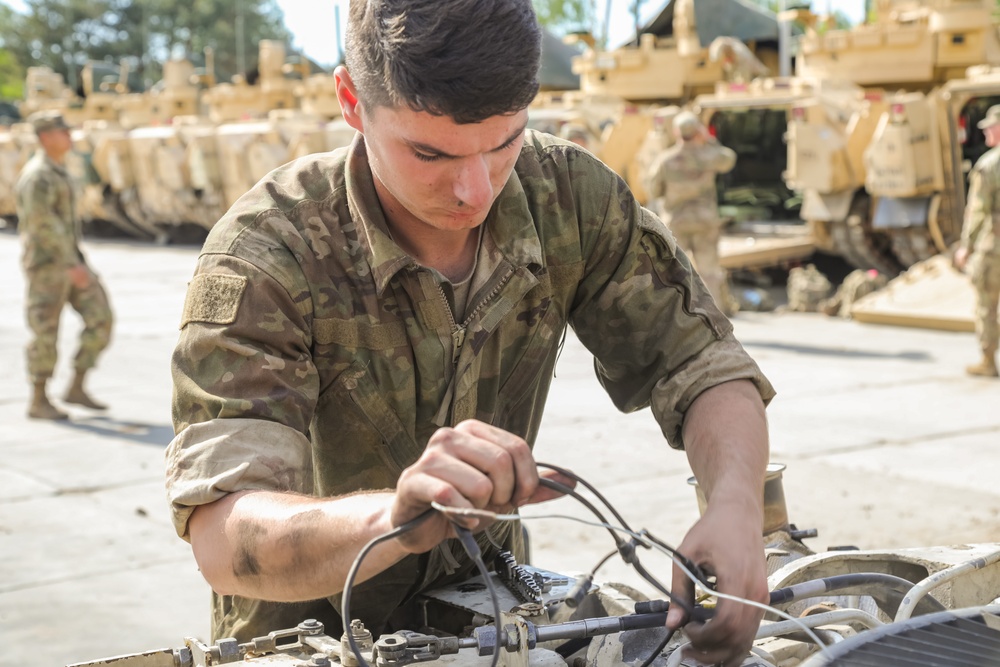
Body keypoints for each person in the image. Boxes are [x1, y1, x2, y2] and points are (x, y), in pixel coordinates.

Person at [165, 2, 775, 665]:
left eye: (505, 141)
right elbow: (223, 537)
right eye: (429, 151)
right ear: (350, 100)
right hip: (309, 641)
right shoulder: (269, 250)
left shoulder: (567, 197)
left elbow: (704, 361)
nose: (473, 188)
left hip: (498, 626)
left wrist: (737, 505)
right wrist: (393, 520)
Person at [15, 110, 113, 420]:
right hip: (48, 266)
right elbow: (41, 225)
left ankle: (77, 386)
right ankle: (38, 398)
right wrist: (70, 265)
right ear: (45, 137)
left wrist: (76, 262)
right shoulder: (38, 176)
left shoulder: (60, 171)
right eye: (62, 131)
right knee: (45, 331)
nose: (69, 136)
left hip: (71, 260)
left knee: (101, 317)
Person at [647, 111, 739, 316]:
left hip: (676, 223)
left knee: (671, 273)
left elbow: (654, 190)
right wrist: (708, 139)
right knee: (709, 272)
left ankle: (670, 317)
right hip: (704, 221)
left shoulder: (665, 160)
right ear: (697, 131)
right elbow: (729, 159)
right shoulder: (709, 155)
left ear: (676, 133)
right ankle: (715, 318)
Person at [954, 105, 1000, 378]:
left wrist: (966, 246)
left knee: (986, 303)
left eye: (990, 126)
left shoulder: (989, 165)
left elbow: (978, 211)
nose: (984, 131)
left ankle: (987, 359)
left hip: (994, 248)